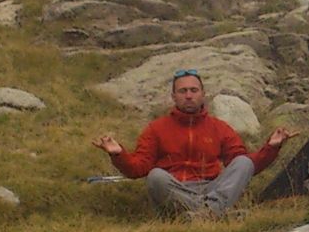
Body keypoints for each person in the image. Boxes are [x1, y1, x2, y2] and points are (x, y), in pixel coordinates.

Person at [92, 68, 298, 219]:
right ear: (174, 97)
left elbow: (243, 167)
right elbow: (138, 168)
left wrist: (271, 147)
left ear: (202, 94)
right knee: (156, 176)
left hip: (212, 188)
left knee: (243, 162)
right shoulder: (156, 129)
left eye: (193, 90)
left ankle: (203, 214)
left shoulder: (219, 128)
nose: (188, 96)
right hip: (177, 191)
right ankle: (215, 213)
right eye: (182, 91)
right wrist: (118, 154)